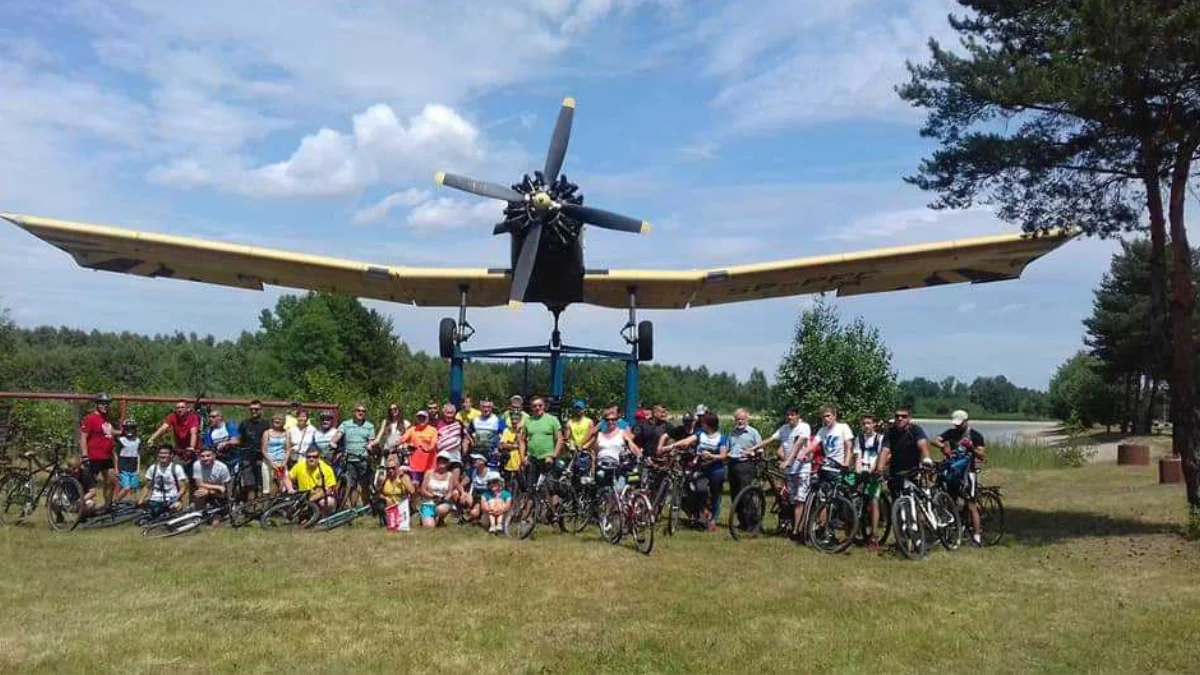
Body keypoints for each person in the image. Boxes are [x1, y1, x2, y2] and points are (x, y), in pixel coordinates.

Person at [746, 408, 812, 536]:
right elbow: (770, 440)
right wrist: (752, 448)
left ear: (798, 416)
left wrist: (788, 460)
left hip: (802, 468)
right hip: (789, 470)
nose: (790, 417)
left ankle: (796, 531)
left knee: (800, 499)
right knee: (792, 500)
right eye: (787, 415)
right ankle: (793, 526)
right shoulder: (784, 429)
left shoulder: (804, 427)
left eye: (792, 415)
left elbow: (798, 444)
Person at [663, 412, 728, 531]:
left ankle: (713, 520)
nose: (701, 424)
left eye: (703, 423)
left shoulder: (721, 438)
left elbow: (723, 456)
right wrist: (670, 447)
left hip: (716, 470)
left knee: (715, 495)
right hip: (701, 468)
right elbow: (686, 441)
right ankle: (703, 512)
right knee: (699, 489)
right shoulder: (700, 434)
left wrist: (712, 456)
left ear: (709, 424)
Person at [933, 409, 988, 546]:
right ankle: (953, 529)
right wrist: (943, 446)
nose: (956, 427)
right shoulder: (951, 433)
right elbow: (934, 440)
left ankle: (976, 536)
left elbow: (981, 455)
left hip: (968, 473)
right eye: (955, 424)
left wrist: (971, 448)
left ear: (966, 421)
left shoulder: (975, 435)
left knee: (971, 505)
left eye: (959, 424)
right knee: (951, 501)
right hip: (953, 471)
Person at [875, 406, 933, 499]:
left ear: (909, 418)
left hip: (913, 469)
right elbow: (885, 450)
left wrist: (927, 459)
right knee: (896, 499)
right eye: (897, 416)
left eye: (904, 416)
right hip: (896, 471)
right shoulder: (889, 431)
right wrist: (880, 469)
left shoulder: (915, 429)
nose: (900, 418)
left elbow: (922, 444)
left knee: (917, 498)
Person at [851, 414, 885, 553]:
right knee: (850, 494)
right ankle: (851, 530)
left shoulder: (880, 438)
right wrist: (858, 469)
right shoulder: (859, 438)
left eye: (869, 423)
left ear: (874, 424)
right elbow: (858, 456)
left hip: (874, 470)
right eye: (864, 423)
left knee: (874, 500)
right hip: (862, 469)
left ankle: (874, 536)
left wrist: (873, 470)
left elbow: (880, 455)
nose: (866, 426)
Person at [330, 403, 377, 506]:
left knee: (365, 484)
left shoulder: (369, 426)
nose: (361, 413)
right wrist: (333, 442)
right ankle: (353, 507)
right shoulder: (346, 424)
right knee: (352, 485)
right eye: (358, 410)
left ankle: (366, 506)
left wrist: (370, 446)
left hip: (364, 459)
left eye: (363, 411)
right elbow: (338, 434)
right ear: (354, 412)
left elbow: (371, 441)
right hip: (349, 459)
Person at [146, 400, 200, 481]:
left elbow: (193, 432)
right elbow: (163, 428)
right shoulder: (172, 416)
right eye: (177, 408)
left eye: (182, 407)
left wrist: (191, 447)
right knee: (176, 474)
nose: (180, 409)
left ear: (187, 409)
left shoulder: (193, 417)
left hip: (193, 450)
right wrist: (151, 438)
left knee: (194, 478)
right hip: (179, 450)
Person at [78, 392, 117, 506]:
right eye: (103, 404)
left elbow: (108, 431)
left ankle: (107, 505)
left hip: (106, 456)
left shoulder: (106, 419)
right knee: (89, 485)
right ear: (97, 404)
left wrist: (123, 432)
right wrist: (85, 455)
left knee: (111, 480)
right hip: (93, 457)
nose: (105, 406)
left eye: (107, 404)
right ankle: (81, 504)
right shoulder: (90, 418)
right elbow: (83, 437)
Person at [518, 396, 563, 492]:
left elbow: (559, 439)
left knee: (551, 489)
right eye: (534, 406)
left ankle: (554, 507)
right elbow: (522, 440)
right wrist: (522, 457)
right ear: (531, 407)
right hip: (533, 459)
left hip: (548, 459)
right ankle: (529, 507)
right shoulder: (528, 421)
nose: (537, 408)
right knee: (531, 488)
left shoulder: (552, 420)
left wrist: (553, 456)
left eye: (540, 405)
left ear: (544, 406)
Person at [591, 408, 641, 494]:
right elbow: (594, 454)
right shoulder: (599, 435)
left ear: (617, 420)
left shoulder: (622, 433)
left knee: (619, 490)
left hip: (617, 468)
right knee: (601, 489)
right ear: (604, 421)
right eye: (607, 420)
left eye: (613, 419)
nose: (610, 422)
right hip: (602, 468)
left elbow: (631, 445)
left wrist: (639, 455)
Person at [726, 408, 762, 505]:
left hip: (746, 464)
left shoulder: (753, 432)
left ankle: (749, 516)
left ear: (747, 419)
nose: (740, 421)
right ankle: (738, 516)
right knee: (734, 493)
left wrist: (752, 453)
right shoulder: (732, 433)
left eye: (742, 419)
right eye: (738, 419)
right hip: (733, 465)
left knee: (745, 494)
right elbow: (727, 449)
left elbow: (760, 449)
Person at [236, 400, 271, 500]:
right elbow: (240, 439)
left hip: (261, 457)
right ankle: (249, 507)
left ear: (261, 410)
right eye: (251, 409)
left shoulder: (266, 424)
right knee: (249, 484)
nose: (253, 411)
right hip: (247, 456)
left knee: (261, 484)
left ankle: (261, 507)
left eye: (256, 409)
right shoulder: (244, 424)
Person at [289, 447, 339, 514]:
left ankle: (321, 517)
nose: (311, 459)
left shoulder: (326, 469)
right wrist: (290, 488)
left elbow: (329, 490)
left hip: (319, 497)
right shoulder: (300, 465)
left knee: (329, 501)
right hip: (303, 496)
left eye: (315, 457)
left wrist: (310, 500)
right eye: (309, 457)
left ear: (319, 458)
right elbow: (288, 477)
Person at [139, 446, 187, 515]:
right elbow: (147, 486)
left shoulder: (177, 468)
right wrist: (141, 500)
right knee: (149, 513)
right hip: (155, 499)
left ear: (171, 455)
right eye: (161, 453)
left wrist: (176, 499)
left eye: (165, 453)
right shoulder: (153, 468)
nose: (162, 455)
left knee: (176, 507)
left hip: (171, 499)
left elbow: (183, 487)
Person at [399, 410, 438, 487]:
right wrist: (398, 444)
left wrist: (428, 449)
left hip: (429, 465)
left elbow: (433, 444)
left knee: (428, 486)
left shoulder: (433, 430)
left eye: (423, 417)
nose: (421, 420)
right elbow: (402, 439)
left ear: (427, 419)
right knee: (415, 485)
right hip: (415, 465)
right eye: (419, 418)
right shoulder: (412, 429)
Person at [419, 451, 457, 527]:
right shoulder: (429, 473)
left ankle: (440, 518)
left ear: (448, 463)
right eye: (440, 460)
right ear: (437, 461)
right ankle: (429, 517)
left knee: (441, 509)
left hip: (442, 503)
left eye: (445, 461)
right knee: (429, 526)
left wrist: (445, 499)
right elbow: (422, 490)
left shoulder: (450, 475)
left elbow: (450, 492)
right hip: (428, 503)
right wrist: (431, 496)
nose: (442, 463)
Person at [378, 454, 414, 530]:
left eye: (393, 468)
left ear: (397, 468)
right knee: (381, 503)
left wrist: (403, 479)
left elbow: (412, 491)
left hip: (401, 504)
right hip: (388, 504)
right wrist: (385, 498)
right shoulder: (383, 479)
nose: (390, 470)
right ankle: (386, 522)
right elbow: (378, 494)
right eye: (388, 469)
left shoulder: (404, 477)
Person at [467, 398, 505, 467]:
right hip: (477, 453)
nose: (486, 409)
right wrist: (472, 442)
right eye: (484, 407)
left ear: (492, 408)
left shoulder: (498, 420)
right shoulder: (475, 420)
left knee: (492, 475)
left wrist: (499, 447)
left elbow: (503, 435)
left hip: (492, 454)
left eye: (488, 407)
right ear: (480, 408)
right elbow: (468, 433)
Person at [499, 396, 529, 482]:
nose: (516, 408)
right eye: (513, 406)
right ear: (510, 406)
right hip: (508, 446)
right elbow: (501, 431)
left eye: (518, 406)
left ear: (522, 406)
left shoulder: (527, 417)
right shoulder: (505, 415)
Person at [434, 403, 467, 480]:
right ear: (443, 413)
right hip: (441, 455)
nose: (450, 415)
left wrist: (465, 446)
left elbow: (466, 436)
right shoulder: (437, 423)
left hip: (455, 455)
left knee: (456, 473)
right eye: (448, 413)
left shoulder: (459, 423)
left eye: (452, 413)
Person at [261, 414, 293, 493]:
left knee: (282, 487)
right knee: (268, 489)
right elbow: (264, 451)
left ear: (284, 422)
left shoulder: (287, 433)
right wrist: (272, 464)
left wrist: (284, 463)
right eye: (275, 419)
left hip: (281, 462)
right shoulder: (267, 433)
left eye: (280, 419)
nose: (277, 420)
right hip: (269, 462)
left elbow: (288, 450)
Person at [113, 419, 142, 504]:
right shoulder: (121, 440)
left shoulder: (138, 440)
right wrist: (116, 468)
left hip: (133, 467)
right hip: (123, 467)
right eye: (127, 428)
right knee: (127, 487)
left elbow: (138, 454)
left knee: (133, 487)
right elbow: (115, 454)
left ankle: (133, 503)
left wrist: (138, 468)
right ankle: (116, 501)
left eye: (131, 428)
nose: (129, 430)